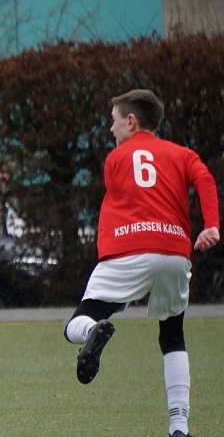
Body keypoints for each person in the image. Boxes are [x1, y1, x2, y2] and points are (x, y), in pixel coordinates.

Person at [64, 89, 219, 437]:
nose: (111, 129)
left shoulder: (116, 158)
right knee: (173, 335)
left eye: (114, 121)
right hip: (175, 252)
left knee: (79, 320)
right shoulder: (183, 153)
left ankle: (92, 332)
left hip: (129, 249)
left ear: (131, 122)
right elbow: (205, 179)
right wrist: (211, 225)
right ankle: (178, 426)